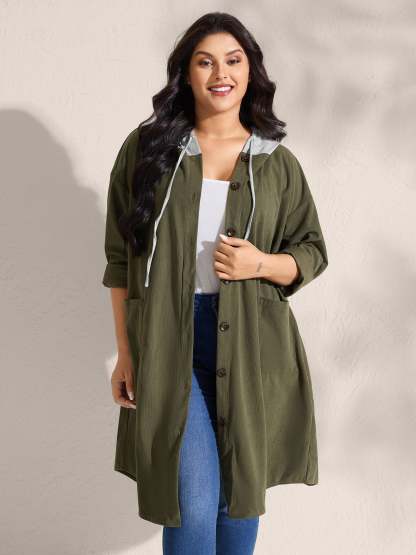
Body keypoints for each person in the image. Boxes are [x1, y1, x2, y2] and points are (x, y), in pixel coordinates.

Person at [102, 12, 328, 555]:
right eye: (205, 62)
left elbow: (311, 252)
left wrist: (261, 264)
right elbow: (119, 259)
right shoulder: (147, 152)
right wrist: (126, 352)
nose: (220, 73)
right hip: (169, 341)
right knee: (193, 501)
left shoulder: (277, 164)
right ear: (187, 73)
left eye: (233, 60)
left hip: (252, 343)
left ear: (251, 72)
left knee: (238, 499)